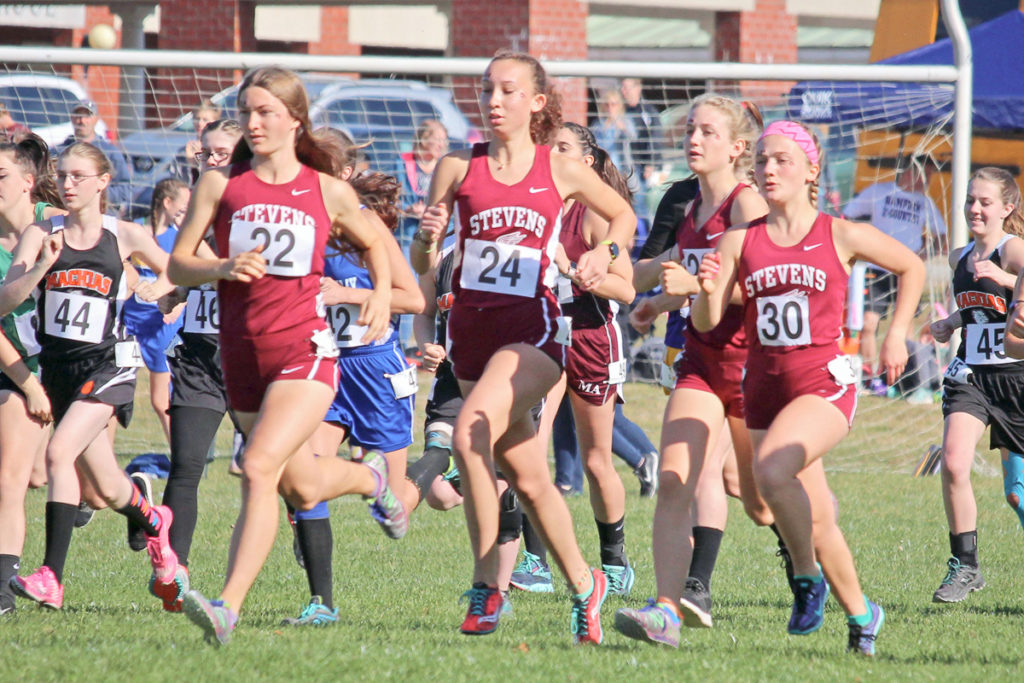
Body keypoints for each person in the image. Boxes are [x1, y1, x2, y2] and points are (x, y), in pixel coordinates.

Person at [168, 66, 399, 646]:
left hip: (305, 353)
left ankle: (226, 606)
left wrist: (379, 295)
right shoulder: (221, 185)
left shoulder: (326, 190)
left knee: (257, 467)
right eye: (246, 111)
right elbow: (178, 265)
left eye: (266, 111)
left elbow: (375, 244)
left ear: (296, 120)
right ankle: (370, 478)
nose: (253, 122)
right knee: (303, 486)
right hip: (241, 357)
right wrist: (222, 266)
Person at [414, 49, 635, 644]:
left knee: (469, 435)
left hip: (533, 336)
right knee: (531, 479)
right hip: (470, 338)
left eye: (508, 91)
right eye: (487, 89)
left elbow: (623, 216)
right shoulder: (456, 167)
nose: (494, 101)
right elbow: (425, 263)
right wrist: (424, 240)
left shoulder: (559, 169)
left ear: (536, 102)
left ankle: (487, 585)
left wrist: (604, 253)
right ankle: (586, 585)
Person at [691, 120, 925, 655]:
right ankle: (864, 616)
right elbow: (706, 321)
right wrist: (704, 290)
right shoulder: (738, 240)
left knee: (773, 470)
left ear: (812, 170)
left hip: (822, 385)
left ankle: (804, 578)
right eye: (761, 161)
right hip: (763, 390)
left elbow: (912, 267)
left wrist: (896, 335)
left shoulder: (839, 233)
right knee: (806, 517)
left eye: (782, 160)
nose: (768, 170)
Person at [615, 95, 772, 644]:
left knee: (758, 500)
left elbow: (764, 287)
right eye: (689, 131)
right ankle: (667, 611)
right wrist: (649, 291)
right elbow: (652, 274)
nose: (694, 140)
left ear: (737, 147)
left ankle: (812, 563)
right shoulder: (688, 207)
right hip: (701, 363)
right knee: (676, 479)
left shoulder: (748, 206)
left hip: (753, 367)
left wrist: (695, 287)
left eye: (707, 132)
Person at [0, 141, 180, 611]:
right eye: (62, 175)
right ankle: (153, 519)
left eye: (78, 176)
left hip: (110, 365)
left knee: (59, 454)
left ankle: (51, 577)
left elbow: (177, 274)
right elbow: (3, 301)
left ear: (103, 182)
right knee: (105, 488)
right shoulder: (41, 233)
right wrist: (41, 266)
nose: (68, 183)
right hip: (60, 369)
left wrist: (157, 294)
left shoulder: (126, 235)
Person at [283, 130, 423, 626]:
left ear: (343, 174)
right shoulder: (299, 222)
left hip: (376, 369)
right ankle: (321, 603)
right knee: (303, 480)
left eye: (316, 166)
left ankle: (439, 463)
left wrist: (347, 295)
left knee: (396, 510)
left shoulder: (365, 224)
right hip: (325, 366)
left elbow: (412, 299)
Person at [530, 121, 638, 597]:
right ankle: (534, 561)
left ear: (586, 162)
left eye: (564, 148)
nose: (553, 154)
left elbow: (626, 289)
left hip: (591, 337)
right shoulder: (535, 207)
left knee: (596, 461)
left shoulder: (593, 216)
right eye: (548, 146)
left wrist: (572, 269)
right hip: (543, 336)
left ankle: (614, 560)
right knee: (530, 452)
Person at [148, 118, 244, 613]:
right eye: (204, 153)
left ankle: (313, 567)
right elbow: (191, 268)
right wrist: (181, 293)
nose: (209, 160)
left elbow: (229, 267)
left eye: (220, 152)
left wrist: (184, 270)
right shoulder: (197, 209)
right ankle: (172, 571)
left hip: (252, 357)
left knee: (283, 473)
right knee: (185, 467)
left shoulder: (256, 207)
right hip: (199, 357)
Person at [929, 167, 1024, 603]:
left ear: (1007, 208)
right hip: (971, 376)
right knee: (952, 463)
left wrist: (1007, 279)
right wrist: (951, 323)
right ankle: (965, 566)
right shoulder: (959, 257)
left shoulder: (1013, 250)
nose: (974, 209)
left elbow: (1008, 290)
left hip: (1016, 379)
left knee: (1017, 495)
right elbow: (978, 309)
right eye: (970, 200)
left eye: (985, 202)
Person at [0, 135, 64, 614]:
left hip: (71, 369)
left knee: (50, 476)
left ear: (28, 181)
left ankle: (133, 502)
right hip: (19, 370)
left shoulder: (60, 225)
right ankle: (3, 591)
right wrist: (29, 385)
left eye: (0, 176)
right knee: (11, 477)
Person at [844, 155, 945, 394]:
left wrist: (922, 254)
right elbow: (847, 217)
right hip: (877, 269)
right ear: (909, 172)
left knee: (905, 328)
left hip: (906, 273)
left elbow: (942, 236)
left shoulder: (925, 203)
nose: (928, 180)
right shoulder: (879, 192)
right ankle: (870, 379)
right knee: (868, 323)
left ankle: (902, 380)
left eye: (931, 175)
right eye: (925, 174)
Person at [121, 177, 189, 445]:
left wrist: (179, 305)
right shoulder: (134, 232)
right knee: (115, 396)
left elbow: (188, 282)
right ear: (167, 202)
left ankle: (183, 457)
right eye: (183, 205)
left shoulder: (179, 238)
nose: (187, 211)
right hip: (129, 326)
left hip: (162, 328)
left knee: (161, 401)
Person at [56, 100, 132, 215]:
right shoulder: (59, 152)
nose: (82, 121)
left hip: (102, 215)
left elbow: (125, 188)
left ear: (96, 119)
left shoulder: (110, 152)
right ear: (71, 118)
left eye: (87, 116)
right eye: (78, 116)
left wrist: (94, 193)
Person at [398, 120, 449, 246]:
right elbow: (390, 198)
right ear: (423, 140)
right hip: (407, 233)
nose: (441, 145)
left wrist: (430, 211)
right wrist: (408, 209)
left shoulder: (445, 166)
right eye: (437, 140)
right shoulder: (402, 163)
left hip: (436, 232)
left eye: (444, 140)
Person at [184, 99, 223, 182]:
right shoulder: (185, 150)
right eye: (197, 119)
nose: (200, 123)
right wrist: (190, 165)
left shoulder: (221, 150)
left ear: (215, 121)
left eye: (205, 119)